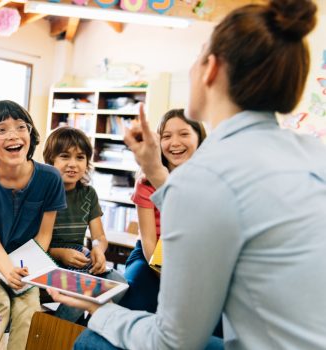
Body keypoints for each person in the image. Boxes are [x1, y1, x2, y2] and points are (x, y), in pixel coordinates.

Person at [51, 0, 326, 348]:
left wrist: (100, 309)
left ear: (211, 69)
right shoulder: (314, 154)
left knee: (93, 341)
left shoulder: (208, 176)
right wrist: (154, 169)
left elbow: (174, 341)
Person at [0, 100, 67, 350]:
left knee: (28, 307)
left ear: (30, 134)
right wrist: (7, 270)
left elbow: (44, 236)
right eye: (1, 130)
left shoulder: (51, 177)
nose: (13, 135)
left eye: (21, 127)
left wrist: (26, 268)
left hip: (27, 258)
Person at [118, 109, 205, 313]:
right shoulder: (146, 182)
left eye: (184, 134)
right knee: (134, 297)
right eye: (166, 136)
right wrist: (164, 275)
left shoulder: (210, 179)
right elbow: (148, 240)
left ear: (200, 139)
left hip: (194, 257)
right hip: (151, 254)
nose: (174, 143)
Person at [42, 126, 120, 323]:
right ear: (51, 160)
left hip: (79, 260)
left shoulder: (88, 194)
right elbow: (31, 244)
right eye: (64, 156)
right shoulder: (41, 193)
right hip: (48, 260)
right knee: (85, 287)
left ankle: (83, 328)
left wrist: (98, 250)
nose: (72, 164)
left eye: (80, 157)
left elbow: (99, 237)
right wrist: (59, 253)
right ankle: (56, 332)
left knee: (119, 282)